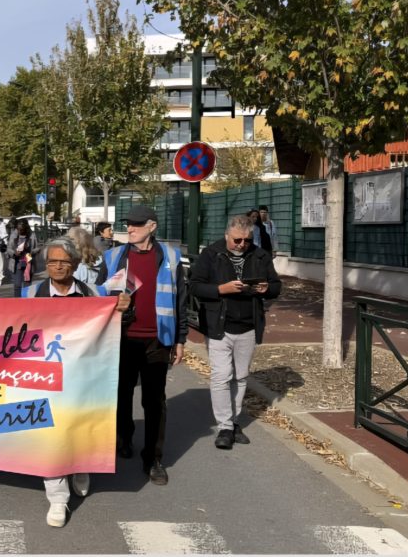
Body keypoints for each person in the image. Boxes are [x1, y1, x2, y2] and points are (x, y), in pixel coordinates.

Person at [20, 238, 123, 527]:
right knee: (49, 433)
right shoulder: (30, 293)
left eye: (64, 261)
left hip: (84, 374)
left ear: (76, 264)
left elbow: (115, 326)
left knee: (80, 425)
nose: (57, 267)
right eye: (52, 261)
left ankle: (80, 466)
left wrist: (123, 308)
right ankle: (58, 498)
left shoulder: (94, 293)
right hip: (44, 375)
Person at [102, 205, 187, 486]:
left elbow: (180, 300)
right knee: (121, 394)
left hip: (158, 339)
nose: (130, 228)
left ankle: (153, 458)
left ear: (152, 226)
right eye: (128, 223)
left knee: (154, 401)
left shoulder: (171, 257)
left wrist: (180, 339)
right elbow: (98, 297)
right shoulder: (113, 256)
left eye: (137, 224)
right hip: (122, 338)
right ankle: (123, 438)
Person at [189, 215, 282, 449]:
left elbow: (276, 286)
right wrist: (221, 289)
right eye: (237, 240)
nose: (242, 245)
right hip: (219, 325)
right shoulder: (211, 254)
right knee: (221, 376)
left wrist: (266, 288)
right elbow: (195, 286)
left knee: (240, 376)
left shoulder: (259, 255)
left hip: (248, 325)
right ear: (226, 236)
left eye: (246, 240)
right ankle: (225, 426)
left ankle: (233, 421)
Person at [9, 219, 37, 298]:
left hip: (28, 259)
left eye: (21, 229)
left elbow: (37, 248)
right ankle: (17, 302)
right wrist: (14, 253)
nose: (20, 231)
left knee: (27, 285)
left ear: (26, 228)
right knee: (17, 284)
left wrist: (29, 249)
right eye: (18, 229)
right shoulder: (14, 234)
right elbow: (8, 249)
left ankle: (26, 302)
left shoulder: (32, 235)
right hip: (17, 261)